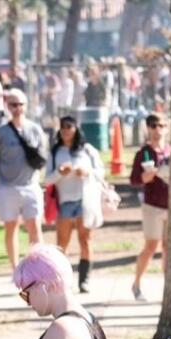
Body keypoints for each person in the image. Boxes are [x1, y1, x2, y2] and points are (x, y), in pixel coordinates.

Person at [0, 89, 47, 270]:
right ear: (7, 106)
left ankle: (38, 268)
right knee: (11, 227)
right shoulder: (0, 132)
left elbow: (43, 155)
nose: (18, 108)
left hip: (31, 185)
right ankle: (15, 268)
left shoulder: (35, 129)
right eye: (13, 104)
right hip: (7, 187)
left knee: (35, 228)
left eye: (21, 104)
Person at [47, 116, 105, 294]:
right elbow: (47, 179)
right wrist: (59, 173)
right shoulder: (56, 151)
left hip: (84, 200)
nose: (65, 130)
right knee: (61, 244)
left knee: (85, 240)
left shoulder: (87, 150)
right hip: (64, 202)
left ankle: (84, 280)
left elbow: (100, 172)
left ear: (76, 129)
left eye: (69, 127)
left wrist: (86, 172)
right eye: (62, 127)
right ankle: (63, 281)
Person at [129, 113, 170, 302]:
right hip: (152, 205)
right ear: (148, 128)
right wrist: (146, 177)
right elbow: (134, 179)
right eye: (153, 126)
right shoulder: (143, 153)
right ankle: (136, 283)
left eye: (161, 125)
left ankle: (167, 289)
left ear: (166, 127)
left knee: (168, 248)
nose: (157, 129)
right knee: (151, 246)